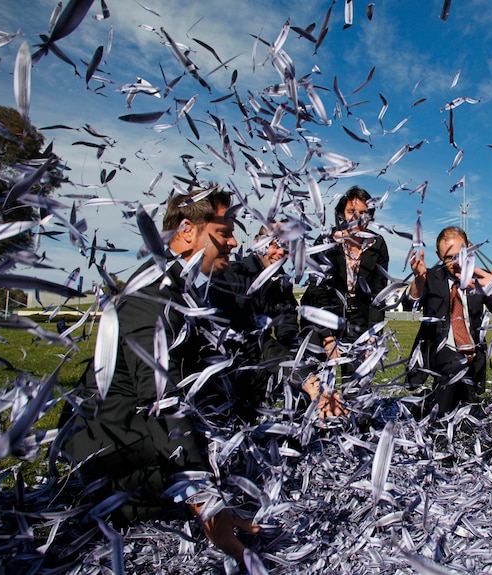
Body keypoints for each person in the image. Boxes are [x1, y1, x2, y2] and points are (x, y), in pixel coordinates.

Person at [61, 186, 257, 560]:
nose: (233, 242)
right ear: (187, 230)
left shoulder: (191, 289)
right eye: (225, 231)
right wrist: (208, 505)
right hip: (106, 452)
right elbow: (159, 403)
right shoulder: (149, 293)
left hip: (140, 433)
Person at [404, 226, 492, 417]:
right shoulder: (431, 277)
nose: (454, 262)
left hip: (473, 354)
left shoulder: (481, 277)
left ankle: (426, 408)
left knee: (467, 412)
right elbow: (409, 304)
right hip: (441, 352)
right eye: (448, 257)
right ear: (438, 255)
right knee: (445, 408)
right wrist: (419, 280)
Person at [210, 224, 314, 415]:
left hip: (262, 370)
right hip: (227, 374)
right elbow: (245, 335)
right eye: (275, 244)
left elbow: (288, 324)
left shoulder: (281, 284)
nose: (280, 252)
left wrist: (295, 363)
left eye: (286, 248)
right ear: (258, 243)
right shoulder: (234, 275)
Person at [301, 186, 389, 376]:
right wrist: (326, 337)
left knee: (357, 384)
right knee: (319, 383)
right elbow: (318, 291)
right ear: (341, 214)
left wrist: (372, 335)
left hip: (358, 319)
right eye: (351, 212)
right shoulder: (326, 242)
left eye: (363, 213)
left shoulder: (378, 245)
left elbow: (378, 293)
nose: (357, 218)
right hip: (321, 317)